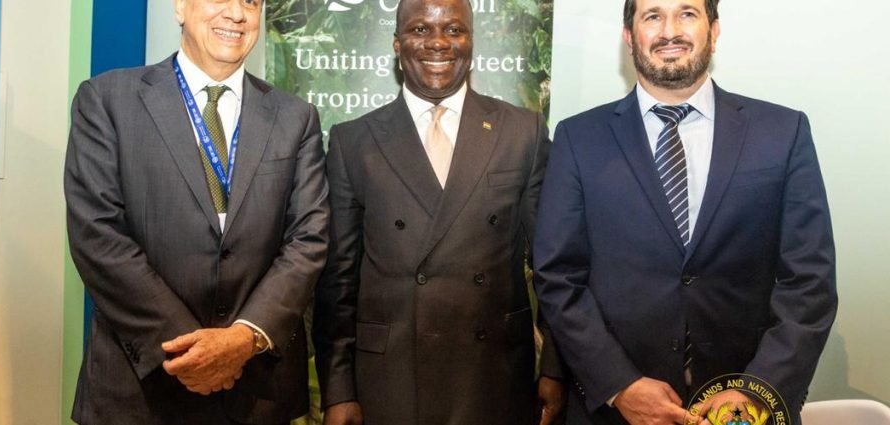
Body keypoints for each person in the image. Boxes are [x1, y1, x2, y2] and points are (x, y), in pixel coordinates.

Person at [533, 1, 837, 424]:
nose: (670, 31)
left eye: (687, 14)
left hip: (747, 410)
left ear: (715, 30)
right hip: (616, 412)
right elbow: (558, 277)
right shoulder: (578, 138)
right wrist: (619, 385)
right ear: (629, 36)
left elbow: (810, 282)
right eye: (652, 16)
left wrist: (756, 389)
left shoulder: (783, 132)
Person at [64, 0, 328, 423]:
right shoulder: (107, 100)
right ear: (180, 8)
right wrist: (193, 352)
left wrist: (243, 339)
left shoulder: (297, 118)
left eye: (251, 2)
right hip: (141, 391)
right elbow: (98, 235)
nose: (237, 14)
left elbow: (308, 240)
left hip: (257, 391)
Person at [312, 0, 566, 423]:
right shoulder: (353, 141)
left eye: (453, 30)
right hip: (390, 380)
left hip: (494, 377)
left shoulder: (523, 131)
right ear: (397, 44)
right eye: (420, 30)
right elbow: (337, 280)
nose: (438, 43)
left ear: (471, 41)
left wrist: (554, 367)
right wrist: (338, 391)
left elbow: (552, 265)